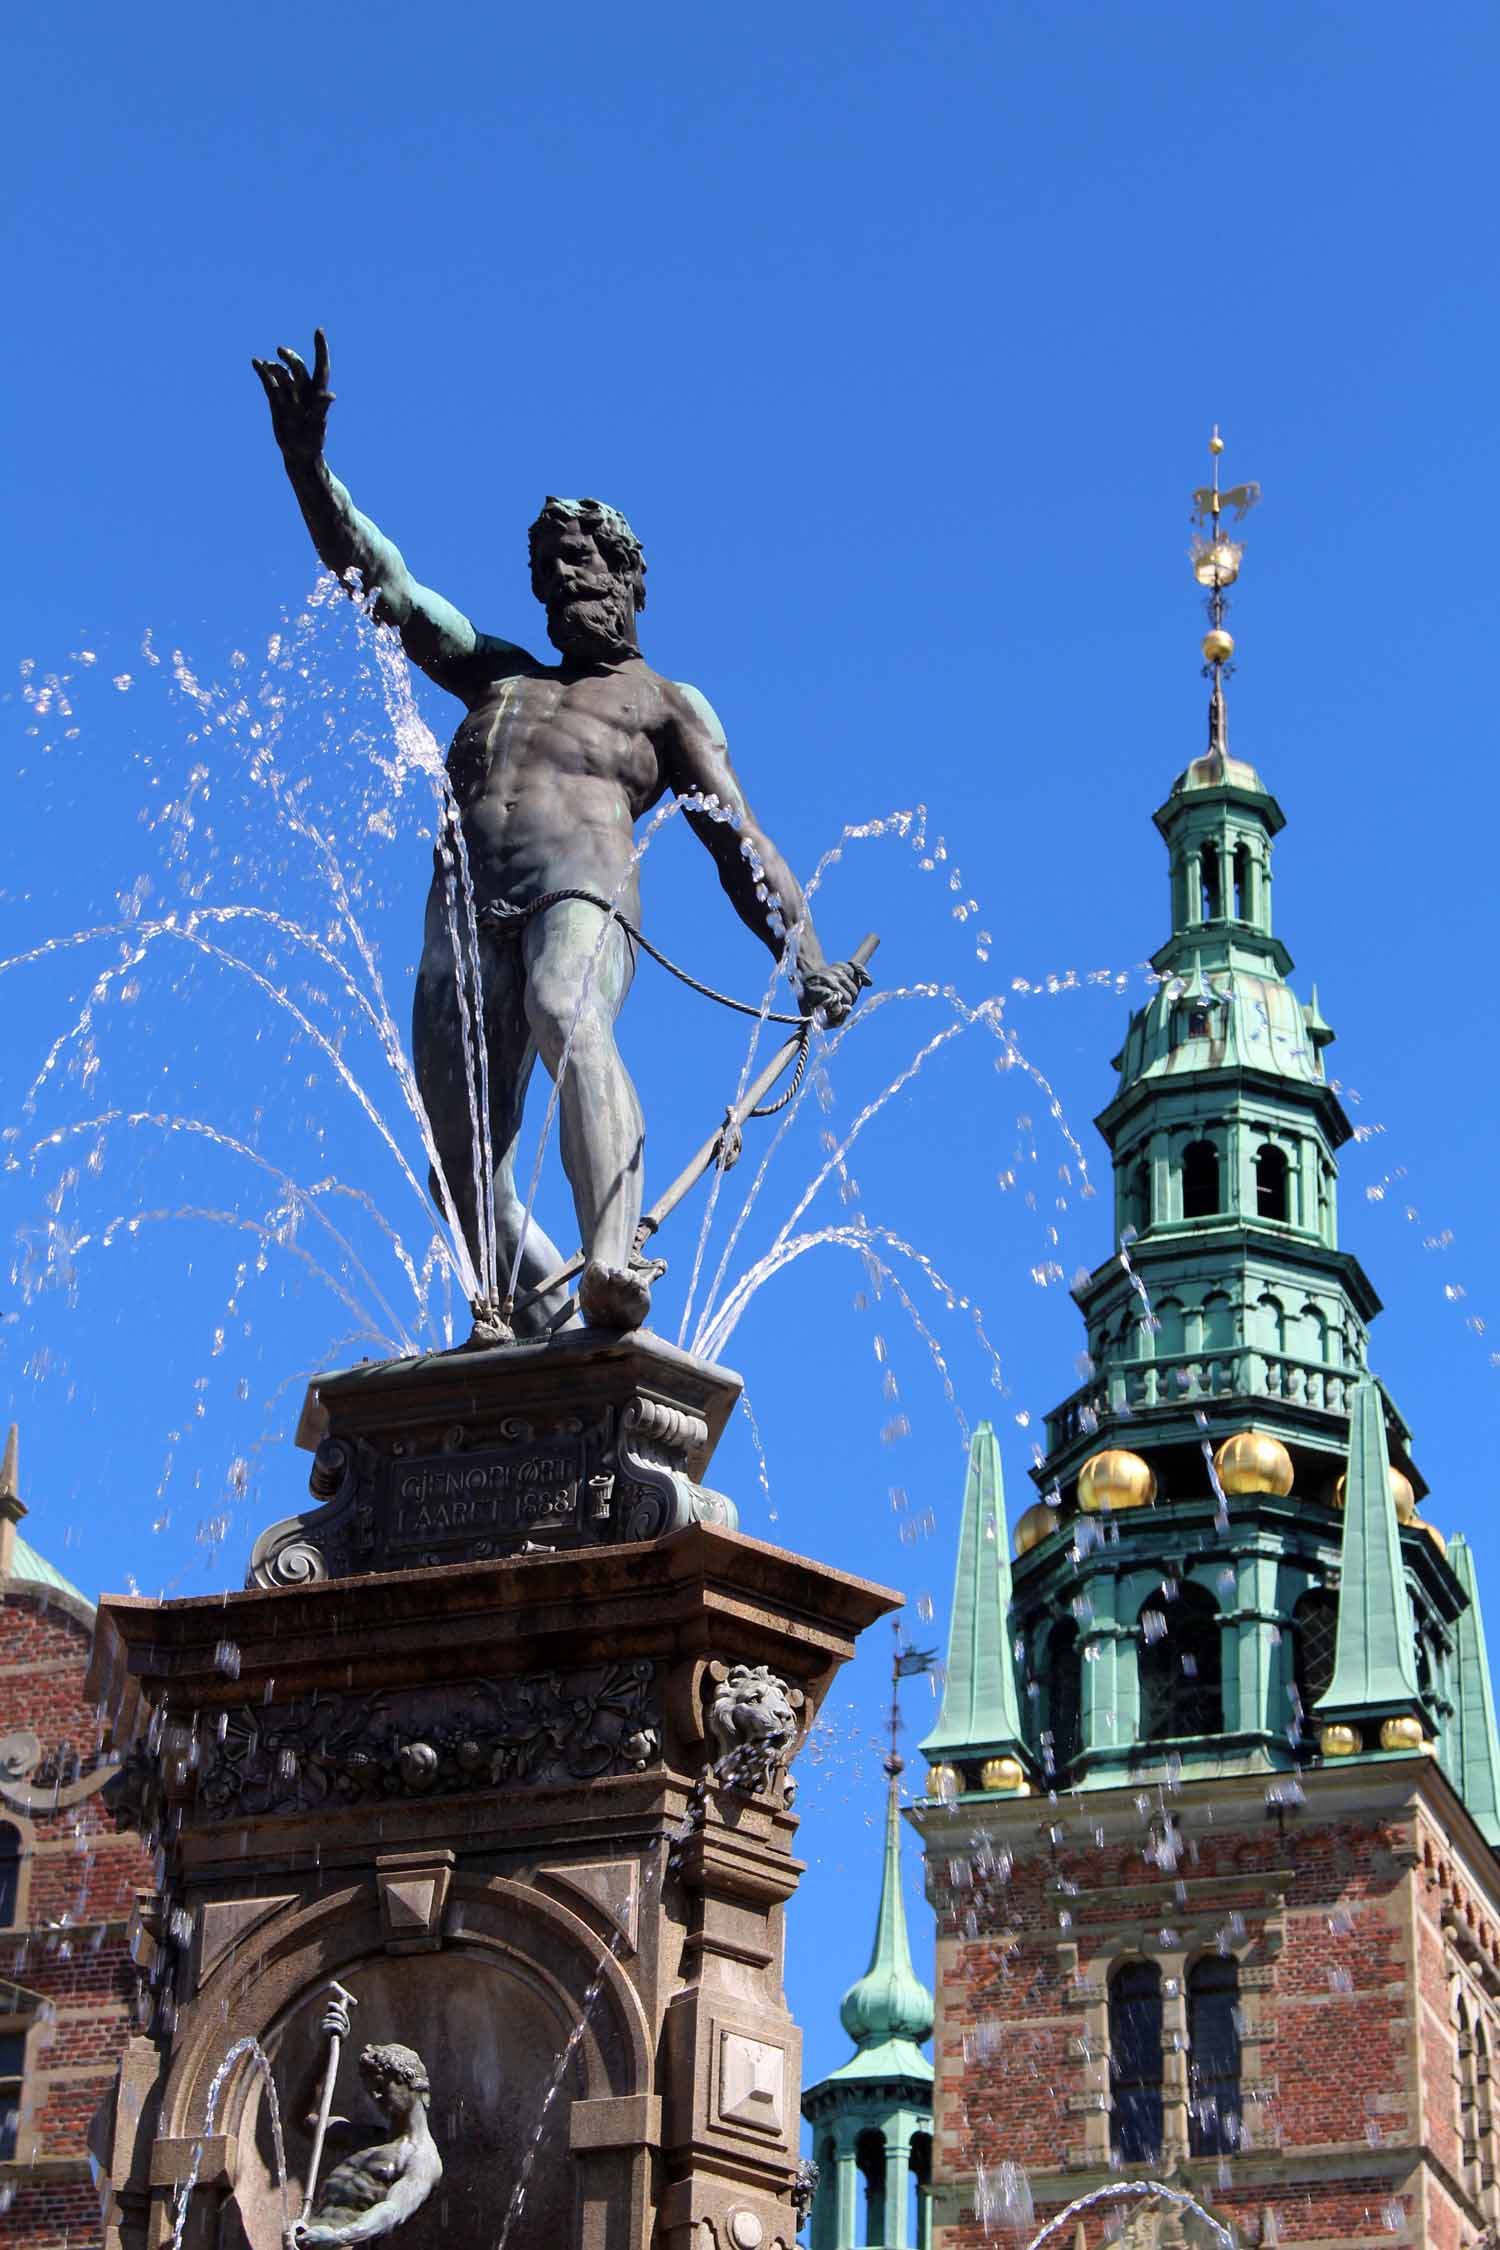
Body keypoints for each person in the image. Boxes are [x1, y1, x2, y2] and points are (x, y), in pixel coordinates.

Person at [253, 331, 868, 1334]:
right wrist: (306, 466)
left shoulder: (666, 707)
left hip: (578, 892)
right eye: (552, 572)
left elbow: (736, 838)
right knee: (458, 1164)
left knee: (562, 1010)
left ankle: (614, 1263)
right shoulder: (497, 674)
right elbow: (388, 585)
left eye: (586, 568)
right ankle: (534, 1323)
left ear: (632, 582)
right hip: (463, 908)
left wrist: (804, 958)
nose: (567, 584)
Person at [290, 1994, 441, 2248]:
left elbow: (392, 2210)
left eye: (382, 2087)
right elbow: (300, 2118)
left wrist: (339, 2237)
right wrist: (324, 2052)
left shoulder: (422, 2158)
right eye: (371, 2091)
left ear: (410, 2081)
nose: (376, 2097)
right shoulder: (363, 2138)